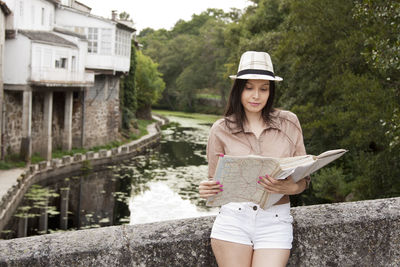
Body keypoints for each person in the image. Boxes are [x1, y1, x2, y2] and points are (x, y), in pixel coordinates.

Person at [199, 51, 310, 267]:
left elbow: (304, 179)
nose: (256, 96)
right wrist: (207, 189)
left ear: (271, 91)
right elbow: (215, 182)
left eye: (263, 89)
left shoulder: (289, 123)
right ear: (238, 89)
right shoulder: (220, 129)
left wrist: (290, 187)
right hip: (233, 219)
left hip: (276, 219)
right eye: (249, 87)